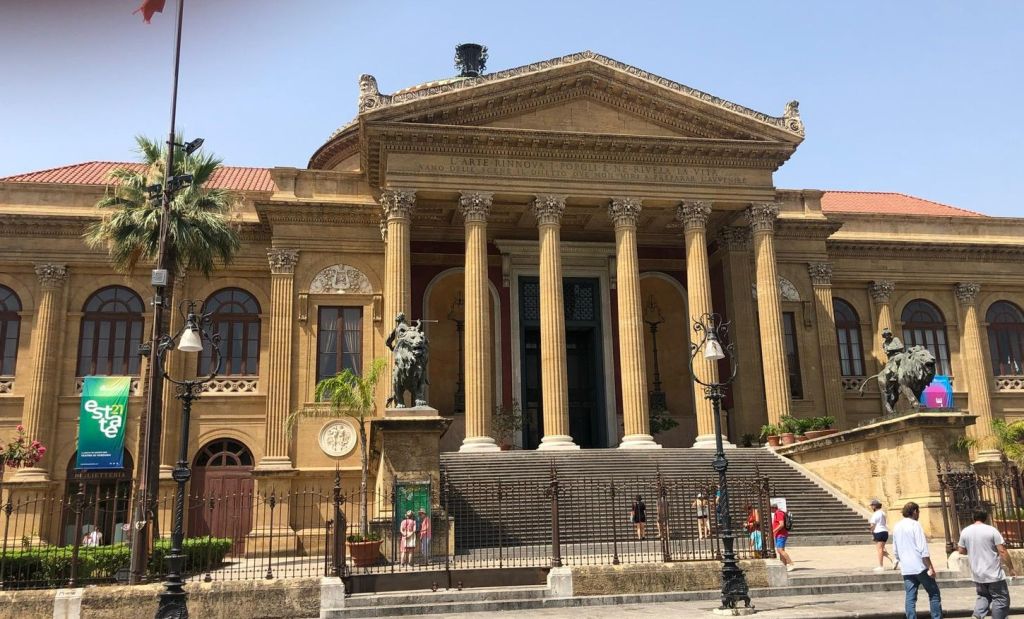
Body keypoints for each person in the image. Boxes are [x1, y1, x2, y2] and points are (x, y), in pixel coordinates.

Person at [957, 509, 1016, 619]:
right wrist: (1011, 568)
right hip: (993, 573)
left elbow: (961, 550)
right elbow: (1002, 551)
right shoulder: (992, 530)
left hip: (977, 573)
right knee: (1001, 600)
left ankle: (977, 615)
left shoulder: (965, 531)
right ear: (986, 518)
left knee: (983, 596)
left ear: (973, 517)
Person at [892, 501, 942, 619]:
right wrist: (930, 566)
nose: (919, 514)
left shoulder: (897, 526)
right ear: (915, 511)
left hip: (906, 567)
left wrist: (900, 560)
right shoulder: (915, 525)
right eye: (918, 511)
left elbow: (895, 548)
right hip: (920, 566)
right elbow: (922, 548)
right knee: (934, 593)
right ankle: (936, 617)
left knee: (910, 596)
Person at [869, 498, 895, 572]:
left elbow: (872, 525)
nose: (871, 507)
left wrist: (871, 531)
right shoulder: (883, 513)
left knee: (879, 550)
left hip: (878, 532)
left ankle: (881, 566)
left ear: (874, 506)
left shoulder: (875, 514)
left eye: (872, 505)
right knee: (881, 549)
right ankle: (893, 560)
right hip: (885, 532)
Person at [771, 502, 794, 572]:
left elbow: (781, 525)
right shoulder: (778, 513)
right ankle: (784, 565)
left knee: (780, 550)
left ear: (773, 508)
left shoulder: (778, 513)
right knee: (781, 550)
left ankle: (791, 563)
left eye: (770, 509)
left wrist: (773, 531)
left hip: (781, 534)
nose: (770, 510)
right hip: (779, 534)